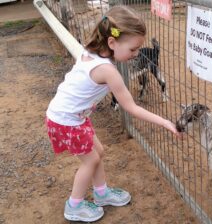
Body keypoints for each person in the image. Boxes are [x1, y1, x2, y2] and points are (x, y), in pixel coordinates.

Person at [45, 5, 180, 222]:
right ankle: (74, 206)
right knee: (90, 161)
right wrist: (164, 121)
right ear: (112, 42)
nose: (136, 54)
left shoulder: (91, 50)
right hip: (66, 121)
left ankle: (101, 193)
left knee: (99, 152)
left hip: (71, 116)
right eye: (133, 49)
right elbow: (132, 107)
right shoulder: (109, 71)